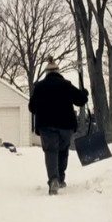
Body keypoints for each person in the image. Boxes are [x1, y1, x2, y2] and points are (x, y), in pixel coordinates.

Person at [28, 56, 89, 195]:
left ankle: (54, 180)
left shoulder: (39, 87)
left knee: (51, 151)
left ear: (46, 73)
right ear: (58, 72)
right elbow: (80, 100)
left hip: (46, 125)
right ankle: (61, 178)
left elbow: (31, 107)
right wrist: (84, 93)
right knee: (63, 150)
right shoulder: (66, 85)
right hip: (65, 125)